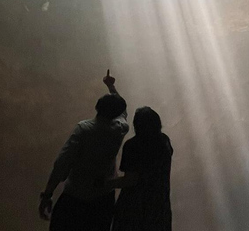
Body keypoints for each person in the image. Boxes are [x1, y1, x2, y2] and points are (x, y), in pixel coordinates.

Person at [39, 70, 129, 231]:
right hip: (103, 200)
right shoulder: (119, 129)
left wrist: (47, 194)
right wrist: (111, 86)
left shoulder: (84, 129)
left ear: (97, 107)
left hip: (75, 197)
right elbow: (123, 111)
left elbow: (62, 163)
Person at [109, 106, 173, 231]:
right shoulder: (164, 142)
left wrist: (106, 183)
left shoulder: (132, 146)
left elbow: (130, 180)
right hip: (160, 205)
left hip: (134, 208)